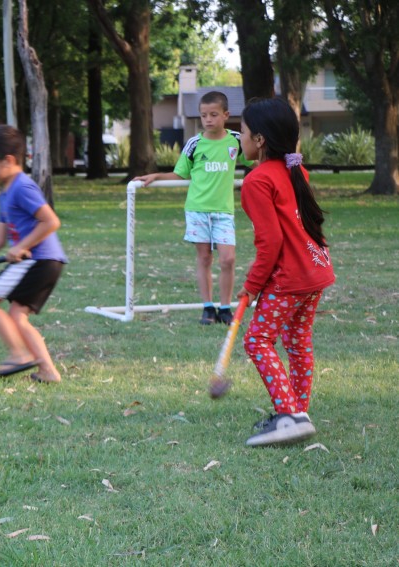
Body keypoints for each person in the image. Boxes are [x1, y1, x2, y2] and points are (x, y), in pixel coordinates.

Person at [237, 97, 335, 447]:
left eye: (242, 132)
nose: (239, 138)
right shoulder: (296, 171)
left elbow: (271, 243)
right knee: (297, 341)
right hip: (315, 272)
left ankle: (289, 415)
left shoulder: (257, 181)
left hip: (290, 279)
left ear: (259, 139)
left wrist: (251, 286)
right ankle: (298, 414)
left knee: (257, 340)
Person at [0, 124, 67, 383]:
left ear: (8, 160)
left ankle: (18, 354)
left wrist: (21, 246)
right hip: (42, 261)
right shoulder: (5, 192)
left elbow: (51, 221)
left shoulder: (22, 187)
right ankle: (48, 371)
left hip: (38, 260)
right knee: (18, 316)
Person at [135, 91, 252, 325]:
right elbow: (180, 173)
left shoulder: (236, 140)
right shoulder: (194, 143)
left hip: (224, 212)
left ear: (226, 115)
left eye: (214, 115)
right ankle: (208, 308)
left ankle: (225, 308)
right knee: (205, 258)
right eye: (203, 115)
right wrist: (156, 176)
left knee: (228, 259)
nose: (208, 119)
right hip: (197, 210)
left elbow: (255, 160)